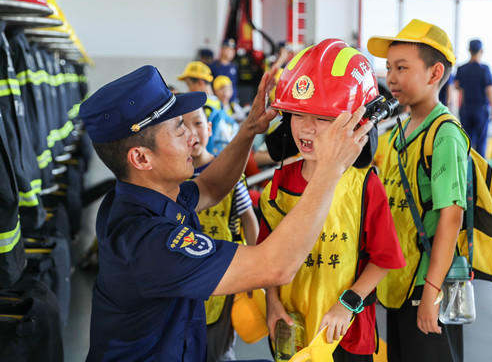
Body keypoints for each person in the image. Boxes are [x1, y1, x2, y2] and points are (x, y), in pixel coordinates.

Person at [78, 64, 374, 362]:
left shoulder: (144, 194)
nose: (193, 138)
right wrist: (330, 170)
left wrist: (250, 130)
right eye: (179, 129)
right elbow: (277, 266)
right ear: (141, 158)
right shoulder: (147, 242)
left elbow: (211, 185)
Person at [258, 39, 405, 362]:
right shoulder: (281, 181)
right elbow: (265, 257)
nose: (307, 129)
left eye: (323, 119)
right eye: (298, 115)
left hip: (343, 335)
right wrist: (272, 302)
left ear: (357, 123)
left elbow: (384, 257)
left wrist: (348, 303)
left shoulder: (364, 185)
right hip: (292, 328)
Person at [367, 19, 470, 362]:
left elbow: (451, 217)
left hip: (425, 285)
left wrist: (432, 293)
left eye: (402, 67)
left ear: (434, 72)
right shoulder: (399, 131)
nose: (391, 77)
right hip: (398, 282)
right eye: (388, 68)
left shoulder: (444, 135)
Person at [182, 105, 258, 361]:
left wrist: (254, 272)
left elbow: (249, 221)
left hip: (224, 277)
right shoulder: (172, 179)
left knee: (219, 350)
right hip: (184, 280)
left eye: (198, 124)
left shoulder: (229, 174)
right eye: (181, 126)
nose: (191, 133)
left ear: (210, 128)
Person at [454, 39, 492, 157]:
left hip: (466, 108)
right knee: (481, 141)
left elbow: (457, 86)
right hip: (481, 109)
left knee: (466, 141)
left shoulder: (462, 69)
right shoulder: (484, 69)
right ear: (482, 51)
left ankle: (466, 168)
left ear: (469, 50)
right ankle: (480, 171)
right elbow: (489, 90)